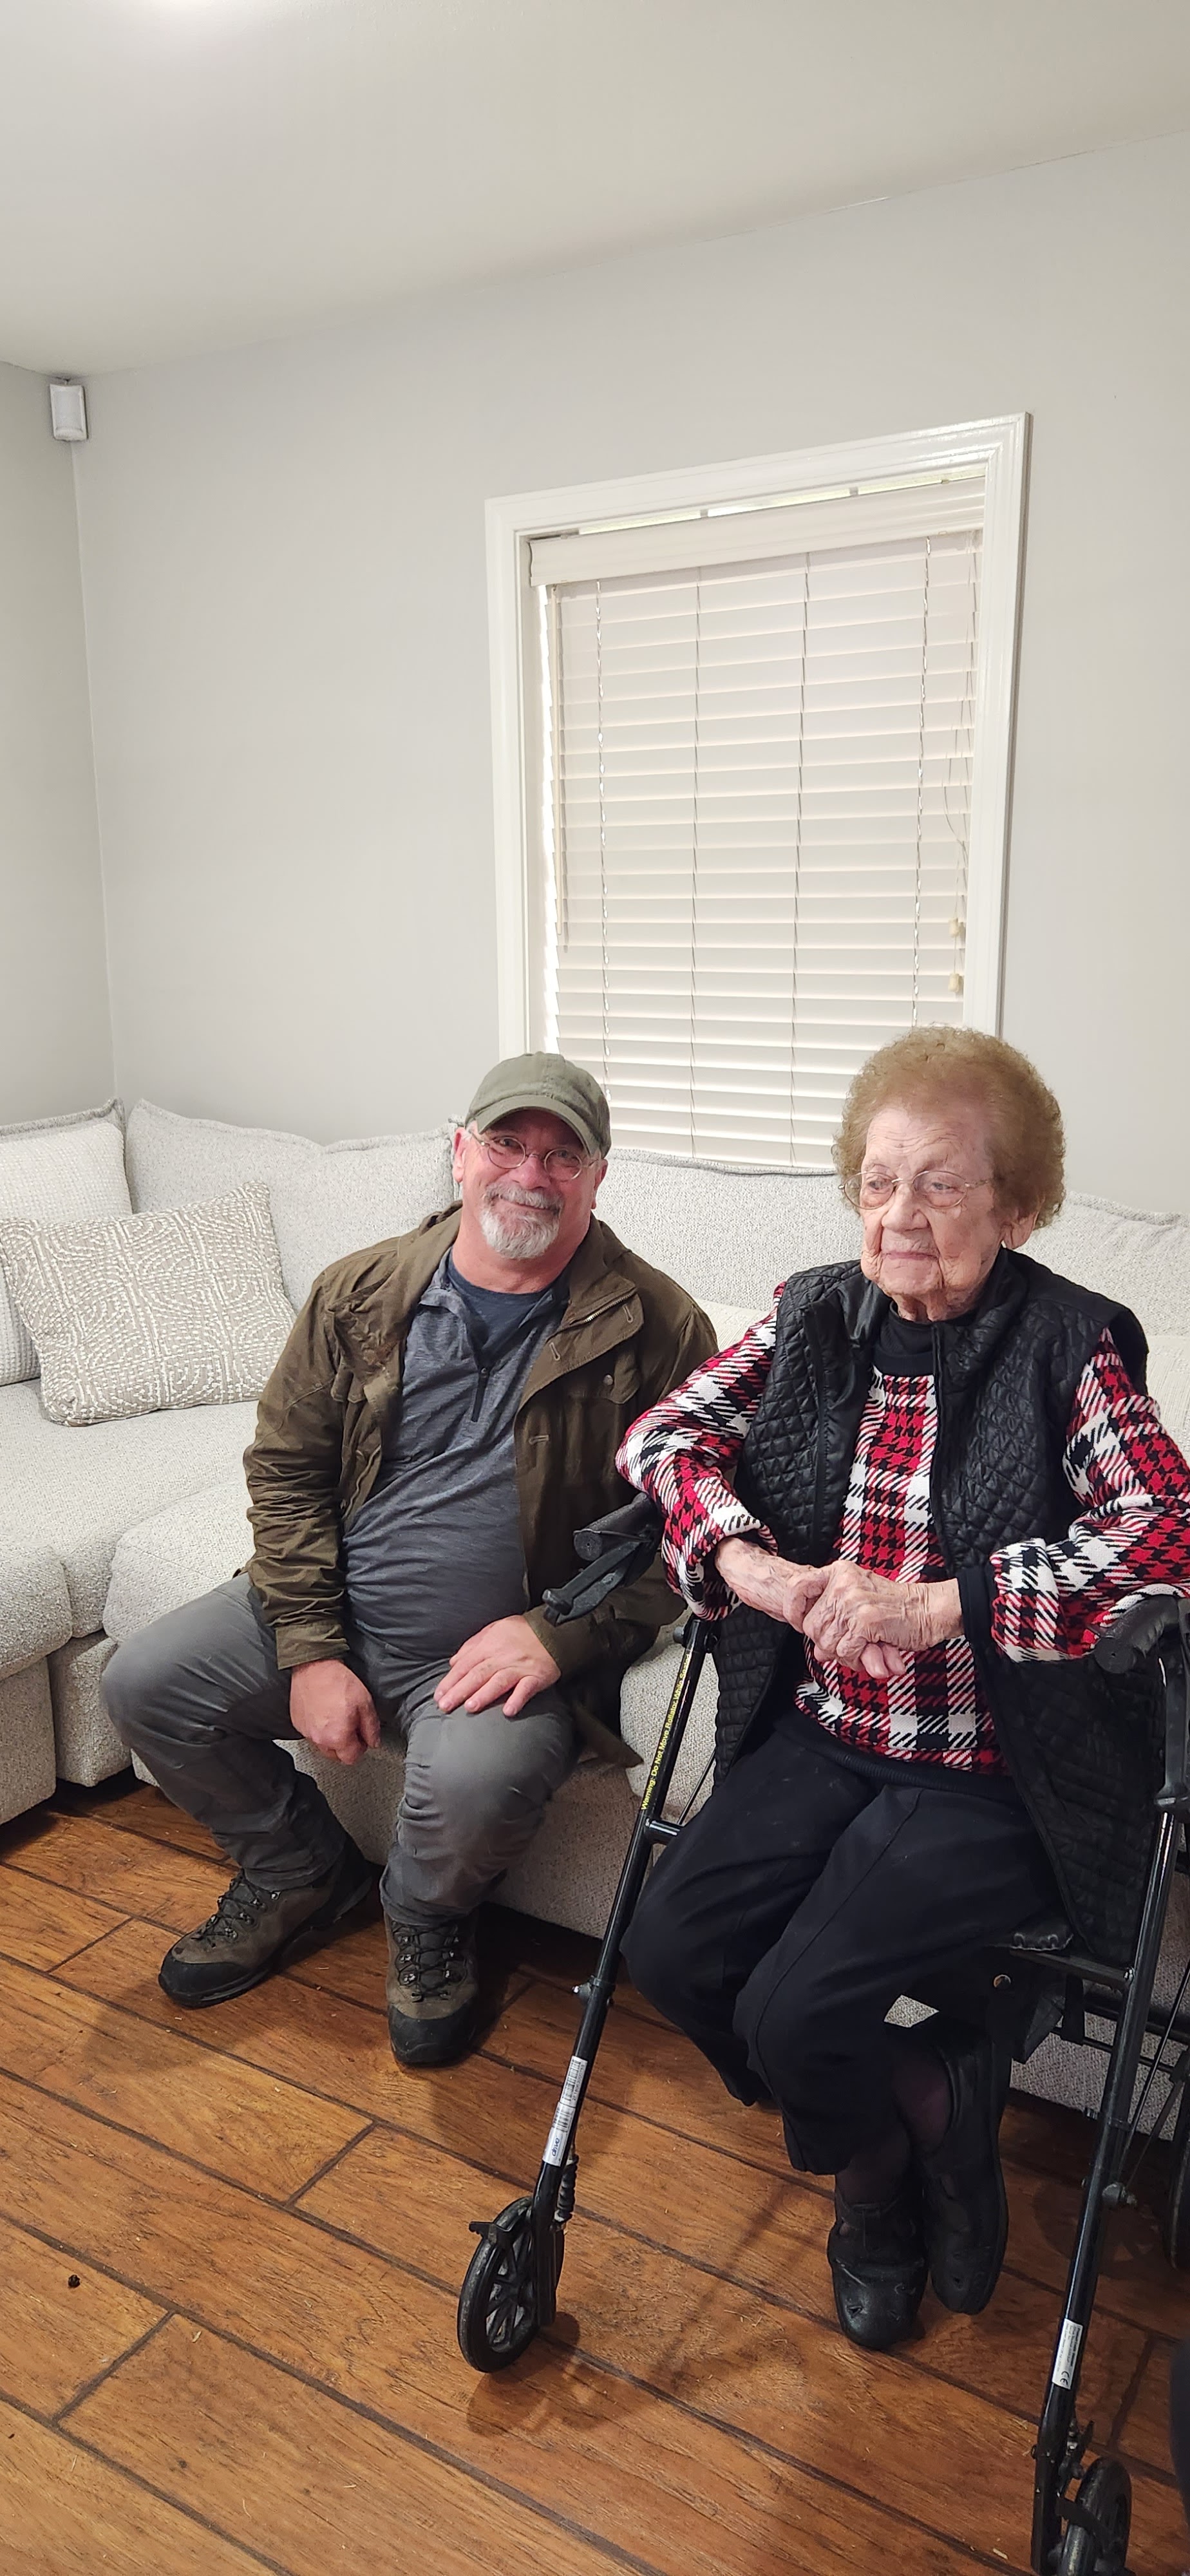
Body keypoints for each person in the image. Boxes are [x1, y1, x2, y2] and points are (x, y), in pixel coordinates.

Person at [616, 1026, 1190, 2351]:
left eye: (941, 1182)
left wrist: (939, 1604)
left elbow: (1165, 1529)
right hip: (826, 1732)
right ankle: (927, 2096)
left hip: (996, 1766)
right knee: (670, 1950)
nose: (900, 1214)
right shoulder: (817, 1311)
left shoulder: (1068, 1344)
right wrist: (754, 1569)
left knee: (792, 2009)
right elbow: (664, 1434)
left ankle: (872, 2187)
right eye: (879, 1181)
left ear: (1017, 1207)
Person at [104, 1052, 714, 2069]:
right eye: (507, 1144)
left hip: (491, 1660)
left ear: (598, 1178)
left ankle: (427, 1919)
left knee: (476, 1785)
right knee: (143, 1683)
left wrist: (559, 1637)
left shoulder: (659, 1326)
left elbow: (695, 1529)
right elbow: (287, 1473)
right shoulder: (359, 1293)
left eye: (563, 1156)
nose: (530, 1175)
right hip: (332, 1606)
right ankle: (297, 1870)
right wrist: (311, 1648)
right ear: (460, 1152)